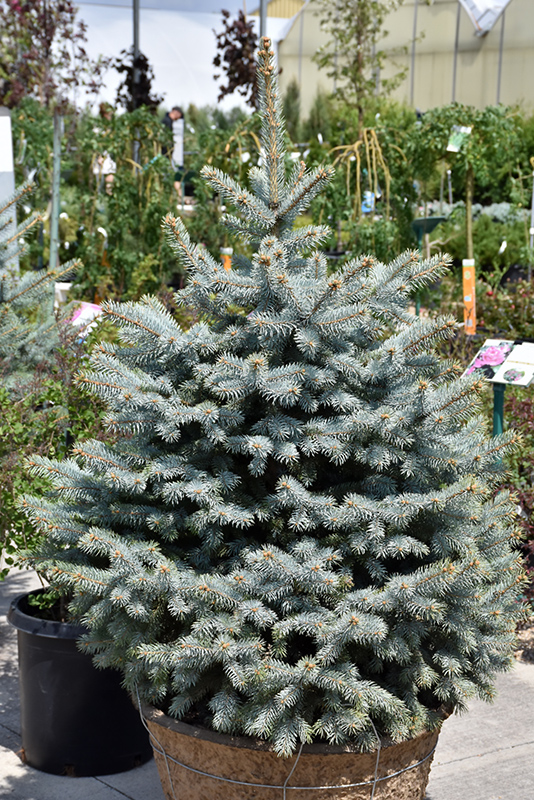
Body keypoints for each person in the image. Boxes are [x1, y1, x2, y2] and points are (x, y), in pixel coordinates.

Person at [162, 106, 185, 197]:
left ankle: (178, 196)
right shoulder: (167, 122)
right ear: (176, 112)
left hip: (167, 154)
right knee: (171, 174)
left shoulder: (168, 121)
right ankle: (179, 196)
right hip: (165, 154)